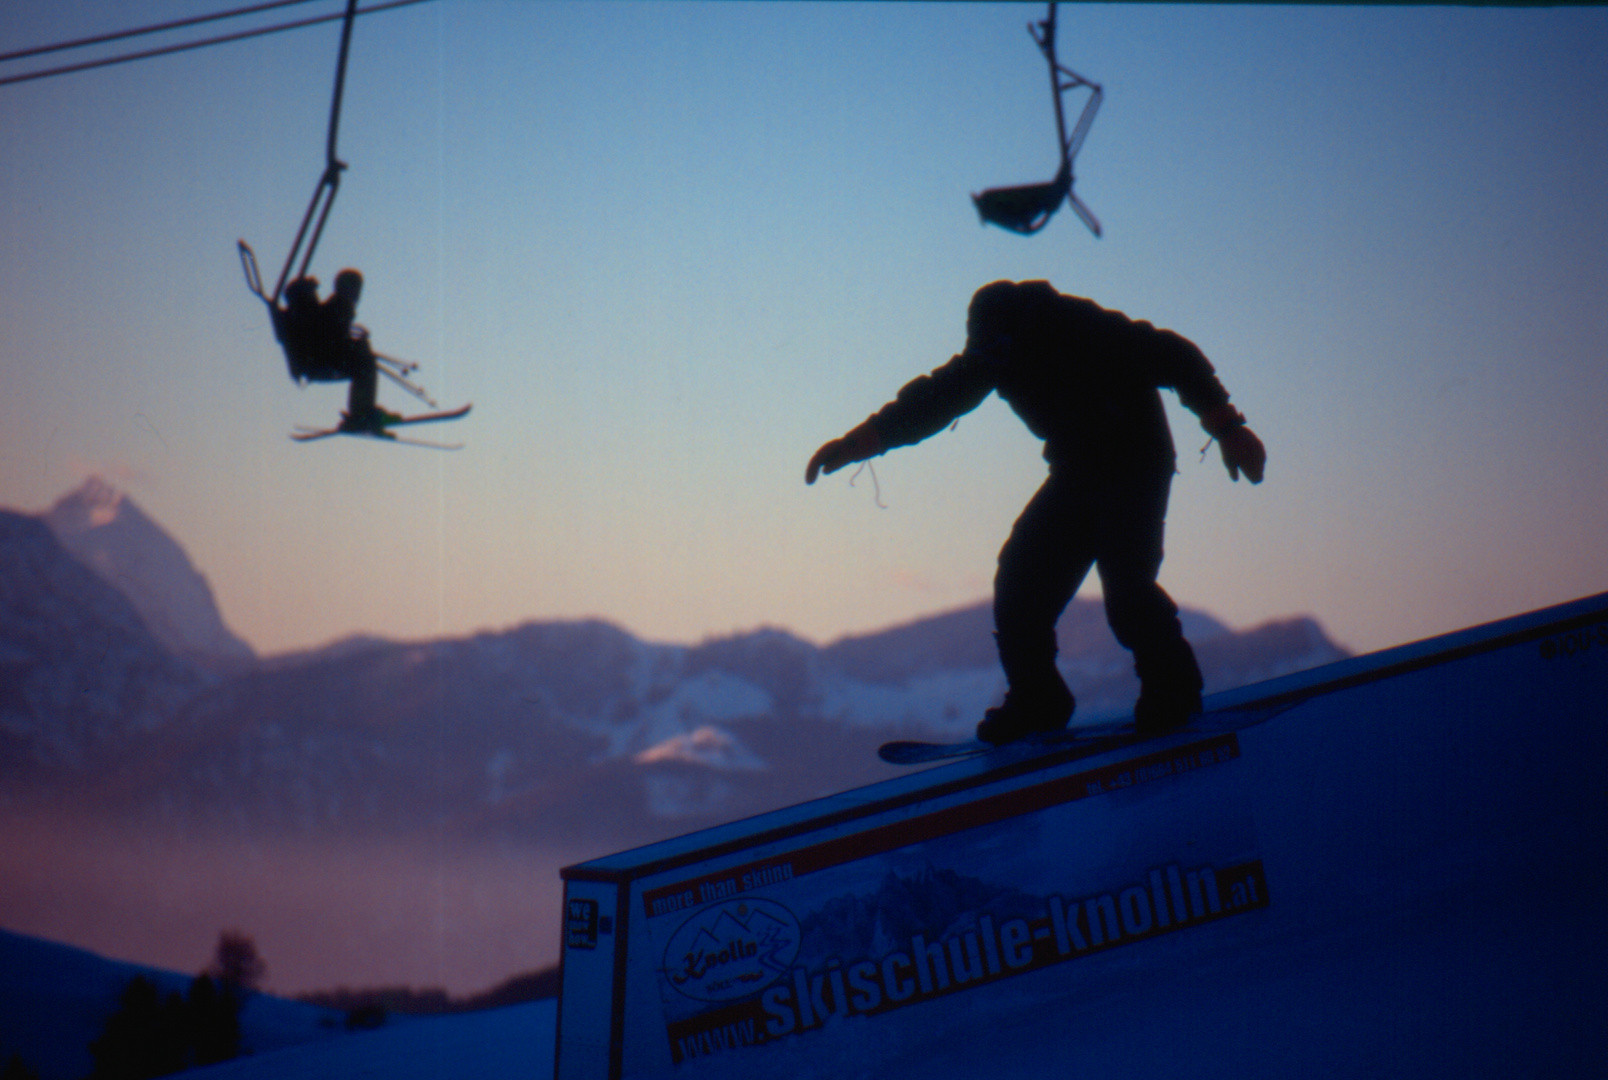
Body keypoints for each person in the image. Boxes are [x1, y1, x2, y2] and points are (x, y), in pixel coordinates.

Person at [806, 280, 1266, 744]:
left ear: (1024, 332)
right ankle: (1039, 697)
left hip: (1135, 460)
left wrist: (1228, 428)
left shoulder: (1083, 328)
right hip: (1078, 469)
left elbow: (1174, 355)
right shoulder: (992, 356)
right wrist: (860, 442)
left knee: (1127, 586)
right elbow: (935, 398)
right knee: (1021, 582)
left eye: (1001, 350)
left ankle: (1173, 686)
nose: (997, 362)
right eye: (987, 354)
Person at [270, 269, 397, 432]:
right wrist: (359, 345)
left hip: (317, 358)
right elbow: (330, 337)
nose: (358, 294)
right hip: (322, 359)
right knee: (365, 363)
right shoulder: (340, 306)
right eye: (356, 289)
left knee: (363, 359)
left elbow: (328, 332)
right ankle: (361, 414)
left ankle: (361, 413)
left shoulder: (324, 308)